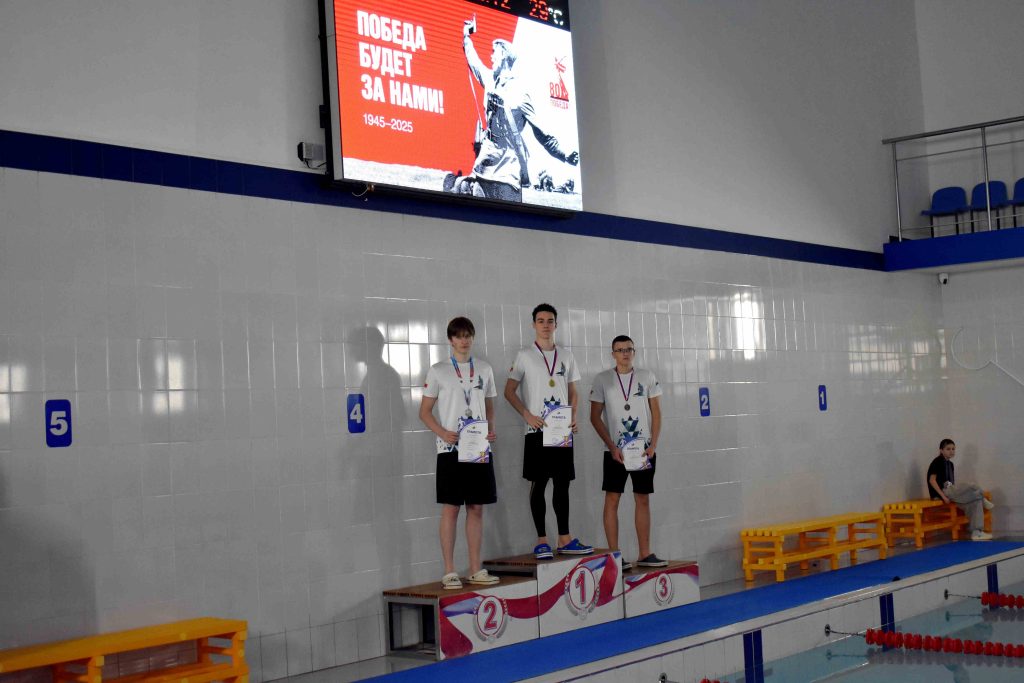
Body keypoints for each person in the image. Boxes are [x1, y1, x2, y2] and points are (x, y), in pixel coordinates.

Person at [445, 20, 579, 202]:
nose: (491, 56)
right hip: (484, 169)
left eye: (494, 52)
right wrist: (466, 37)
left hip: (508, 176)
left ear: (504, 56)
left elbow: (542, 135)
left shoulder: (521, 94)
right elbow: (474, 63)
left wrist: (564, 155)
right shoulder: (490, 81)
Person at [505, 303, 592, 559]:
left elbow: (574, 391)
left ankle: (565, 538)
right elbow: (509, 391)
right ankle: (542, 540)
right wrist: (527, 415)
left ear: (556, 324)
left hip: (562, 431)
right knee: (539, 483)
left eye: (550, 320)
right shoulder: (524, 355)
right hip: (537, 430)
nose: (546, 325)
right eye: (541, 320)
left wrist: (573, 416)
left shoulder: (566, 355)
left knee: (562, 484)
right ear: (533, 324)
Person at [419, 317, 500, 589]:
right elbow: (424, 412)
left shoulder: (485, 369)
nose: (463, 341)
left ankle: (476, 568)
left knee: (476, 507)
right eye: (458, 336)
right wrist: (442, 432)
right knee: (452, 507)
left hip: (478, 448)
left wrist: (490, 429)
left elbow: (489, 406)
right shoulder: (438, 371)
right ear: (450, 340)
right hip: (450, 448)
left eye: (468, 336)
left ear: (472, 338)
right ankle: (450, 571)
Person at [589, 335, 666, 571]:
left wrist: (653, 446)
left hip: (643, 450)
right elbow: (594, 417)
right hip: (616, 451)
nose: (625, 353)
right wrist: (611, 446)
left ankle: (645, 553)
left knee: (642, 498)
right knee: (612, 498)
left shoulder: (647, 376)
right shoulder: (602, 379)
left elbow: (656, 413)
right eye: (620, 350)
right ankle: (614, 555)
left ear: (634, 352)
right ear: (612, 354)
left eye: (629, 349)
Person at [927, 438, 995, 541]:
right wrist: (943, 496)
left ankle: (977, 533)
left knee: (975, 501)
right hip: (943, 492)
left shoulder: (950, 464)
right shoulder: (937, 461)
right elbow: (932, 480)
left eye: (953, 449)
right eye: (948, 449)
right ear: (941, 450)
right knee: (971, 485)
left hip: (951, 491)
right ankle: (982, 498)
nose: (951, 451)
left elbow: (952, 484)